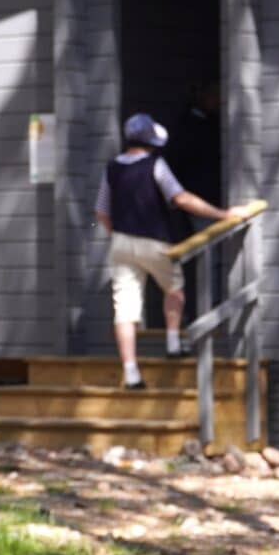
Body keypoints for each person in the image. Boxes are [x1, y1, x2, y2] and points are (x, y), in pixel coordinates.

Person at [93, 112, 232, 388]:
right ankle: (172, 342)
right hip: (154, 240)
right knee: (174, 288)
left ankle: (131, 372)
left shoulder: (112, 167)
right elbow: (180, 198)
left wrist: (117, 234)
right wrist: (221, 213)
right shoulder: (155, 165)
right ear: (151, 141)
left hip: (120, 243)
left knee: (125, 310)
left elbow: (101, 211)